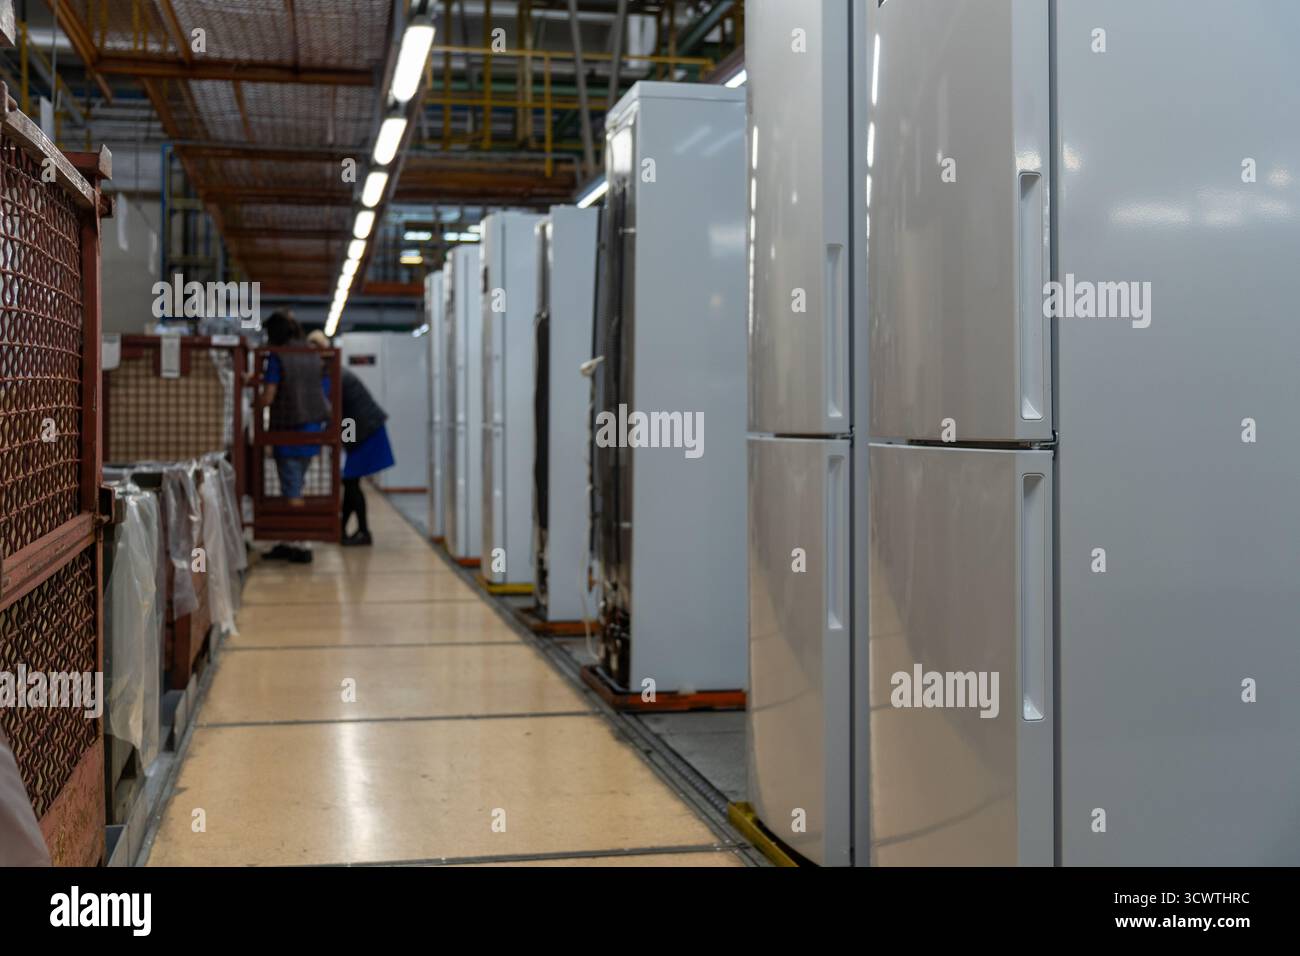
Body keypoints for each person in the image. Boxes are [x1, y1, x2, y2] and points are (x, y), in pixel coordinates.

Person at [307, 331, 396, 546]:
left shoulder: (332, 376)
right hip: (362, 429)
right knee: (351, 481)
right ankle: (347, 532)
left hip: (366, 432)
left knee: (351, 481)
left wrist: (332, 438)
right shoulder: (334, 373)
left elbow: (328, 411)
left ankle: (359, 532)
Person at [261, 312, 330, 563]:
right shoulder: (311, 354)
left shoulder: (278, 355)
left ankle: (301, 543)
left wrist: (253, 402)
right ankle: (290, 539)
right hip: (312, 430)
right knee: (297, 484)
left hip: (287, 431)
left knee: (291, 490)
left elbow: (269, 396)